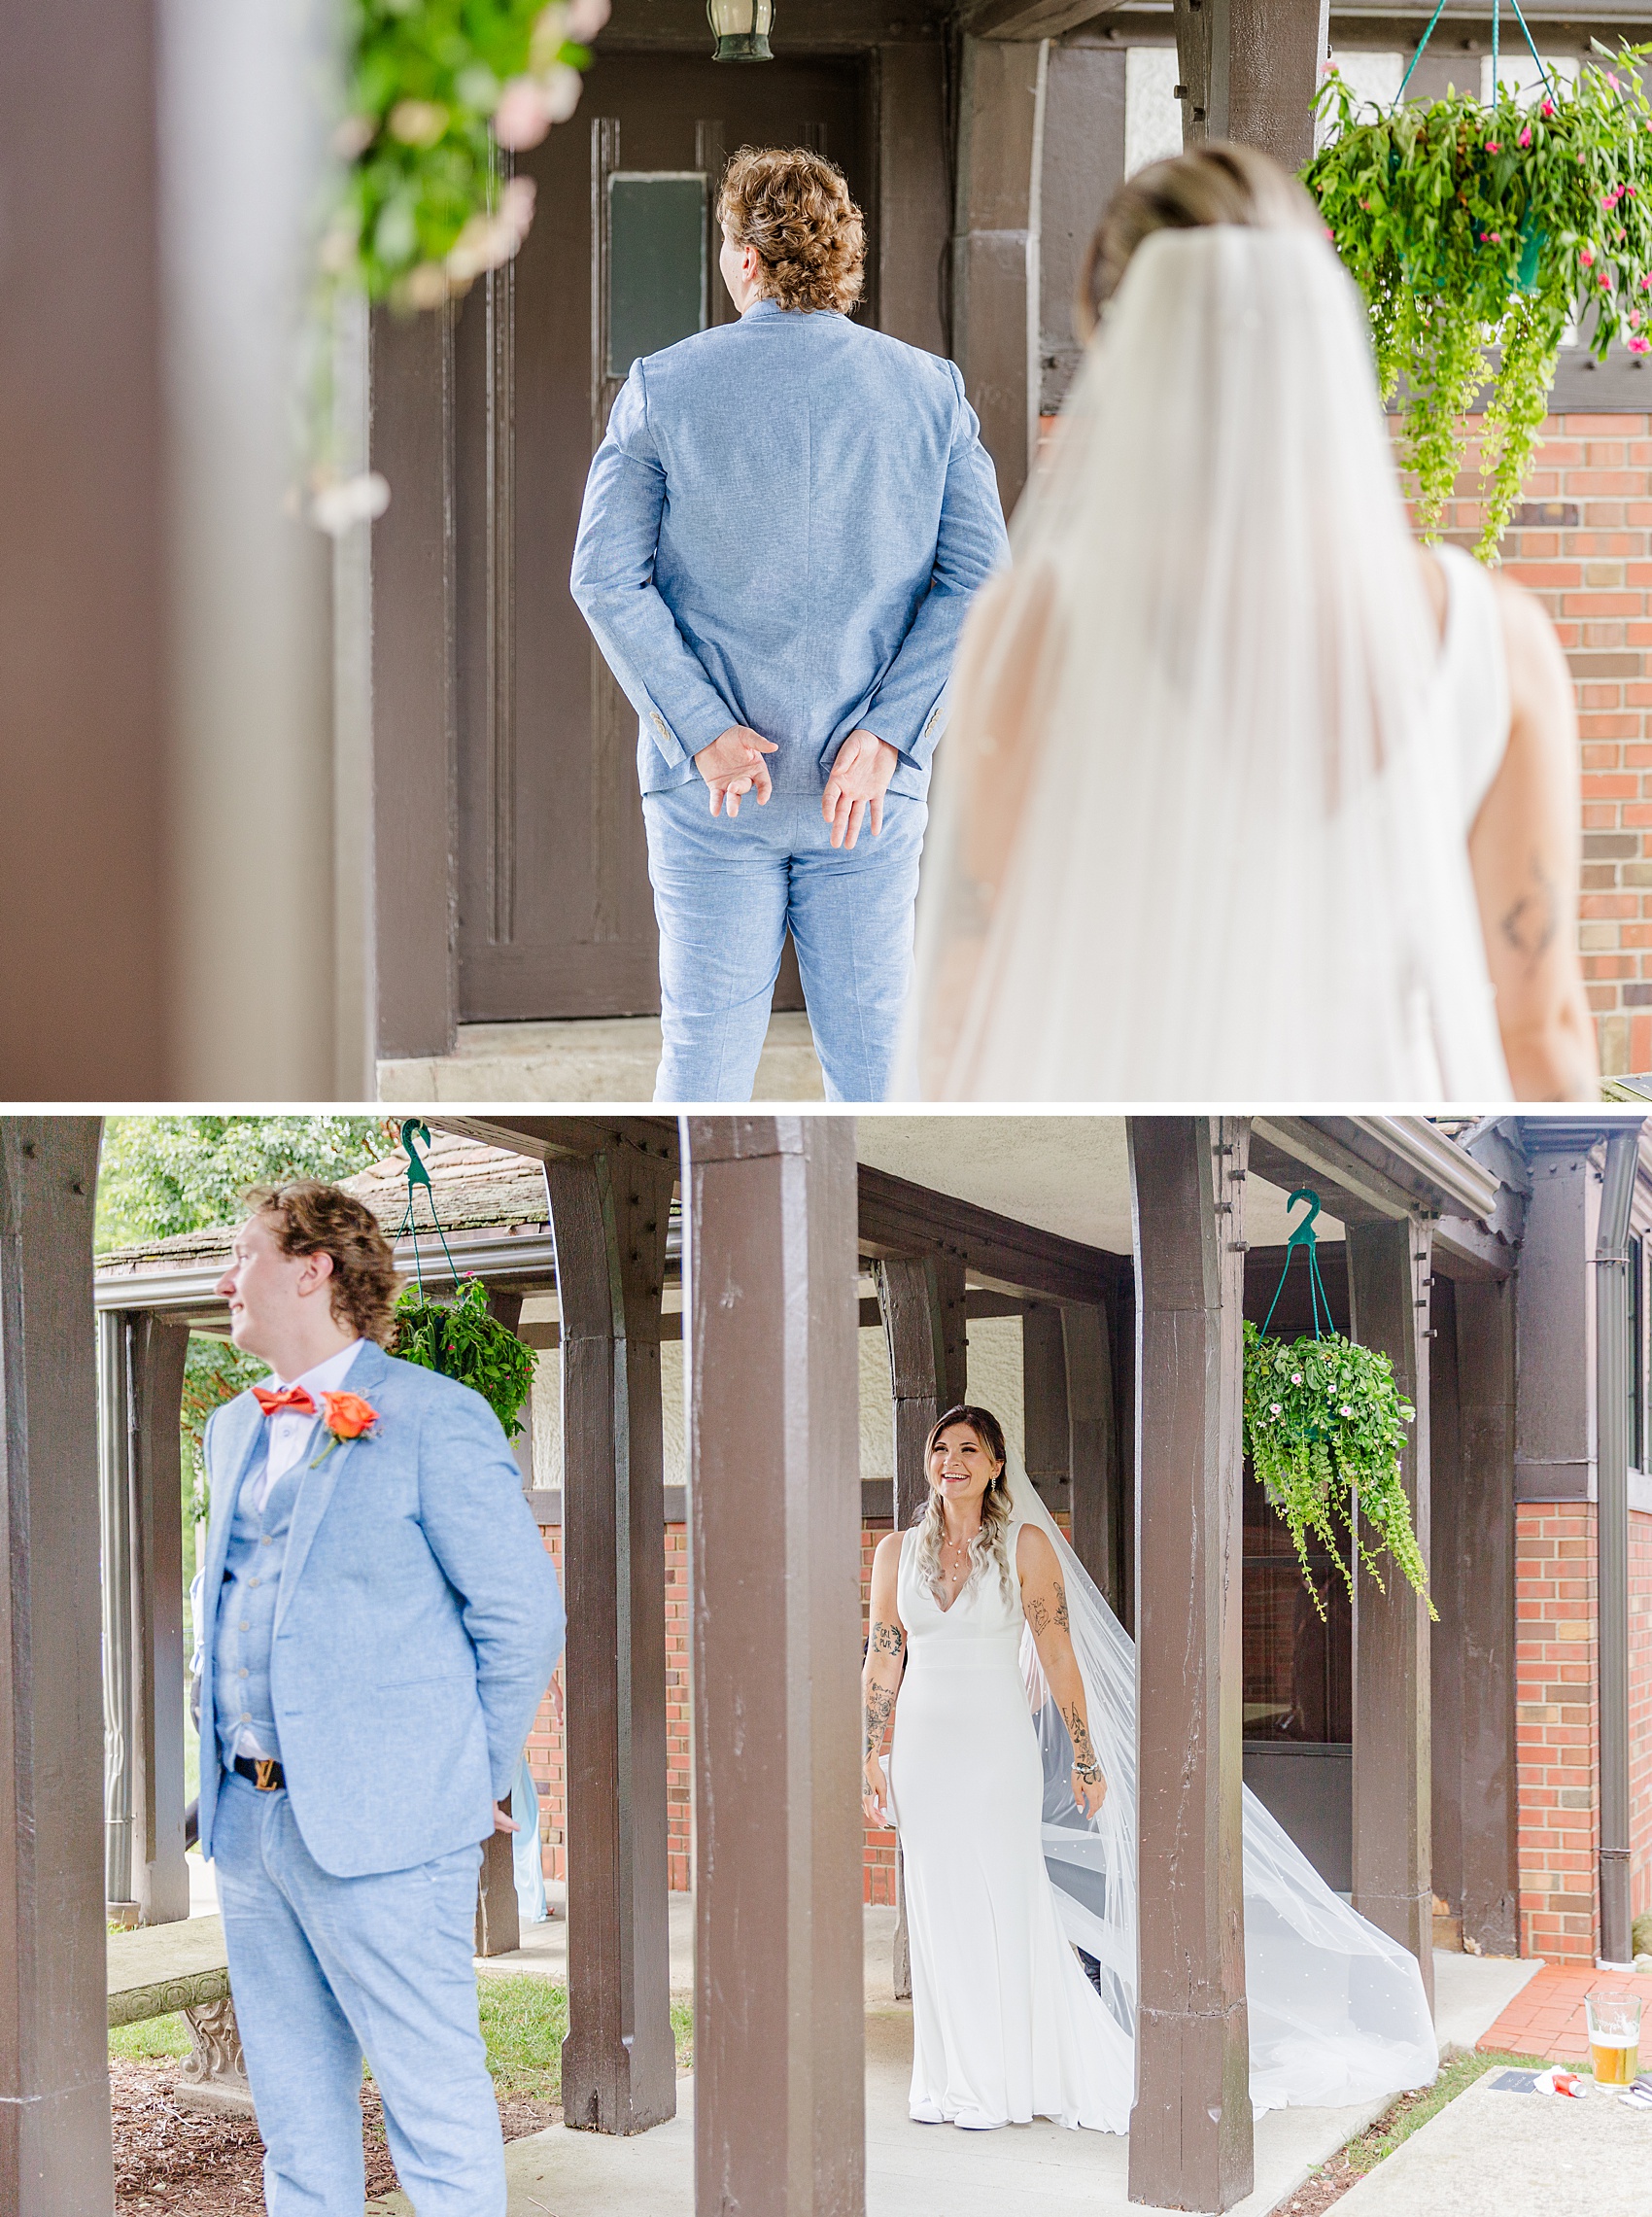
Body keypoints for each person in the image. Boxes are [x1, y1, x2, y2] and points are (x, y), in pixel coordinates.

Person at [901, 144, 1599, 1103]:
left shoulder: (1036, 633)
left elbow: (966, 991)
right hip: (1391, 1183)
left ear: (1118, 349)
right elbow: (1540, 1027)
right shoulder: (1496, 642)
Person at [861, 1406, 1438, 2133]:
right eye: (940, 1449)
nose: (952, 1461)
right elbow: (884, 1655)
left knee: (1001, 1904)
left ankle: (1000, 2082)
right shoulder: (895, 1553)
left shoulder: (1025, 1546)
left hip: (992, 1755)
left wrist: (1085, 1753)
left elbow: (1057, 1654)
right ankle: (944, 2078)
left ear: (997, 1463)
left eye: (969, 1449)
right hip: (921, 1755)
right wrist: (874, 1753)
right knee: (939, 1910)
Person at [571, 145, 1008, 1104]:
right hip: (865, 791)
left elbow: (605, 579)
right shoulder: (929, 392)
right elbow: (982, 579)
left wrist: (703, 734)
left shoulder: (662, 386)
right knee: (876, 1074)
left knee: (702, 1065)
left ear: (744, 260)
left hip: (715, 792)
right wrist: (887, 737)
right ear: (843, 257)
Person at [195, 1182, 565, 2217]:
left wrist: (466, 1778)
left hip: (396, 1829)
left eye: (246, 1255)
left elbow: (521, 1619)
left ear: (313, 1269)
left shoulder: (435, 1418)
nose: (226, 1279)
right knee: (297, 2123)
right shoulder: (231, 1430)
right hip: (248, 1821)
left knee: (432, 2107)